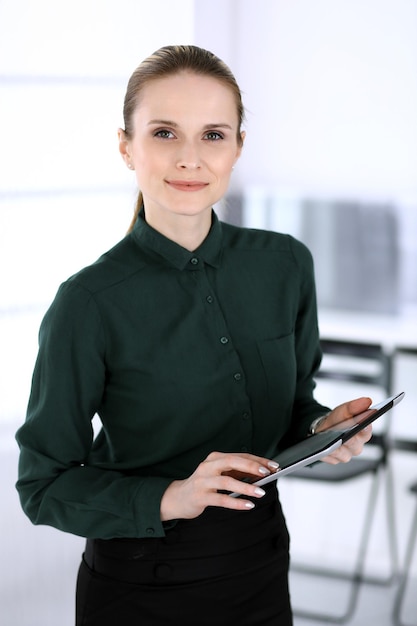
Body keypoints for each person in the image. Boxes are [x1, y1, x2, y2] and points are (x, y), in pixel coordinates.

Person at [16, 44, 372, 626]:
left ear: (237, 146)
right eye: (163, 133)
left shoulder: (284, 264)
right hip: (141, 585)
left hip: (260, 565)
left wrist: (319, 428)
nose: (190, 158)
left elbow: (292, 403)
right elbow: (43, 486)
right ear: (126, 146)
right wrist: (172, 497)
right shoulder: (87, 304)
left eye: (212, 134)